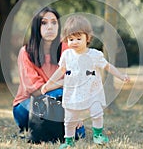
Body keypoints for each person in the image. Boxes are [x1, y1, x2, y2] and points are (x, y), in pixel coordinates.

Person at [41, 15, 130, 148]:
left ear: (87, 38)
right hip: (73, 92)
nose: (74, 42)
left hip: (92, 91)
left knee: (97, 112)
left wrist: (121, 76)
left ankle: (98, 135)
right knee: (70, 119)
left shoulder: (94, 55)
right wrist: (49, 84)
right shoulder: (67, 55)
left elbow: (107, 66)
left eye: (78, 38)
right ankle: (69, 141)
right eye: (71, 39)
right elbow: (60, 71)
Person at [12, 7, 85, 141]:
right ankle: (43, 127)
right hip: (27, 105)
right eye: (44, 23)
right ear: (36, 27)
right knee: (57, 97)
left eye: (54, 22)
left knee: (80, 133)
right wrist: (63, 84)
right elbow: (37, 90)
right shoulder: (26, 52)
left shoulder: (67, 49)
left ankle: (55, 126)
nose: (50, 27)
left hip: (60, 102)